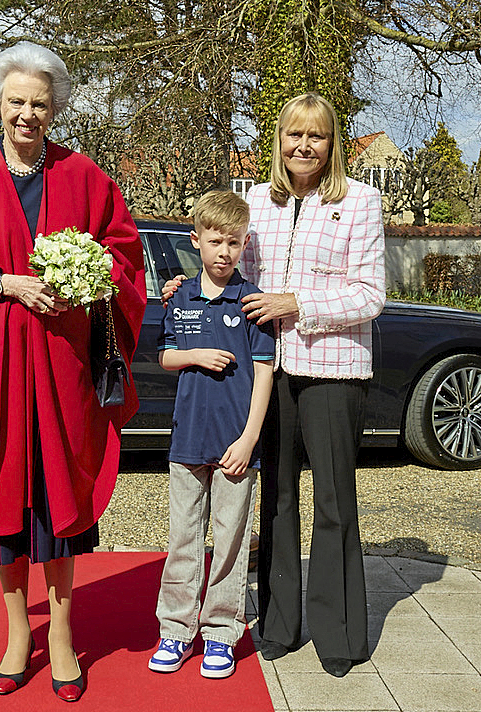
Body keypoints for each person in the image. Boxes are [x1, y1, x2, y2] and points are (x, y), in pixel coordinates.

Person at [0, 41, 146, 703]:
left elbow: (125, 256)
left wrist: (92, 281)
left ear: (56, 109)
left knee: (57, 510)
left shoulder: (86, 178)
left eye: (40, 103)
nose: (28, 114)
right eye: (17, 102)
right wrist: (0, 282)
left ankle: (63, 637)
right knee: (5, 513)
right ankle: (19, 632)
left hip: (62, 372)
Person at [163, 93, 384, 677]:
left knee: (335, 502)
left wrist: (298, 302)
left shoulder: (360, 201)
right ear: (278, 141)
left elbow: (370, 294)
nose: (303, 146)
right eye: (293, 135)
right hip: (269, 370)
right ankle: (281, 624)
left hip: (334, 367)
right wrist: (188, 289)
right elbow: (230, 266)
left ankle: (338, 635)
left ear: (332, 144)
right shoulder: (257, 201)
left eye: (316, 136)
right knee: (278, 497)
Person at [148, 190, 275, 679]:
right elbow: (165, 356)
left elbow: (263, 375)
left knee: (230, 540)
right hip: (188, 440)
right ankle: (175, 631)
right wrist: (196, 355)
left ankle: (222, 632)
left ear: (244, 245)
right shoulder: (177, 295)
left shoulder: (252, 302)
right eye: (216, 241)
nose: (224, 252)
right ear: (196, 240)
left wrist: (248, 440)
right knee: (183, 538)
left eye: (234, 242)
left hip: (235, 445)